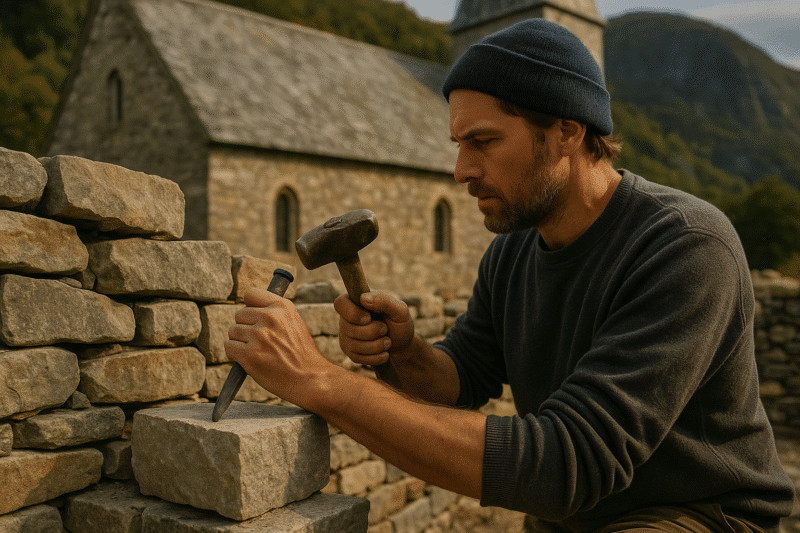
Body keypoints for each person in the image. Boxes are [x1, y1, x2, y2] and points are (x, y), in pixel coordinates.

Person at [225, 18, 795, 533]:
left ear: (567, 131)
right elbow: (462, 377)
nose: (460, 171)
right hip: (574, 517)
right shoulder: (513, 252)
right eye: (459, 145)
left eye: (483, 142)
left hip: (699, 514)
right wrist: (406, 353)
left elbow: (568, 462)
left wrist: (318, 380)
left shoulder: (686, 246)